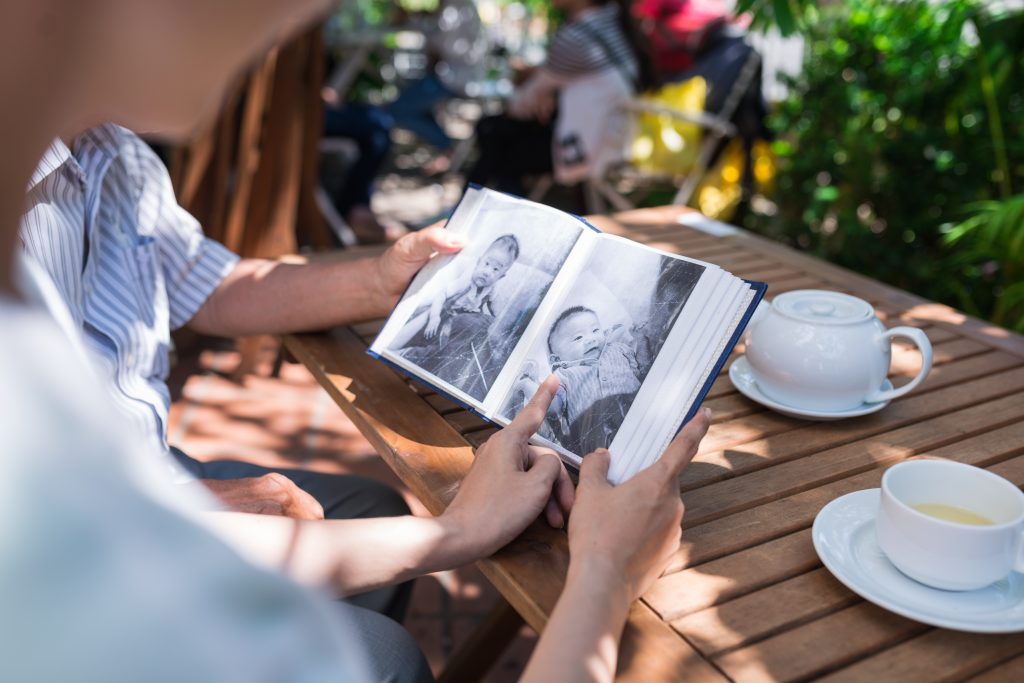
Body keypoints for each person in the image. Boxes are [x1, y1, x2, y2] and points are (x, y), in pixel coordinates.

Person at [1, 1, 713, 681]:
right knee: (384, 657)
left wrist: (377, 283)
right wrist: (494, 545)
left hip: (126, 470)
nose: (293, 21)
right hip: (97, 538)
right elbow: (83, 548)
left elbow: (204, 280)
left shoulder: (114, 157)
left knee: (371, 510)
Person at [465, 0, 656, 196]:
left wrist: (544, 90)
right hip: (617, 138)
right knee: (500, 139)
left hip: (585, 149)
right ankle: (487, 203)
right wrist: (553, 93)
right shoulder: (613, 21)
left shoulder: (578, 35)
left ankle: (472, 205)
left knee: (492, 133)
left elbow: (522, 104)